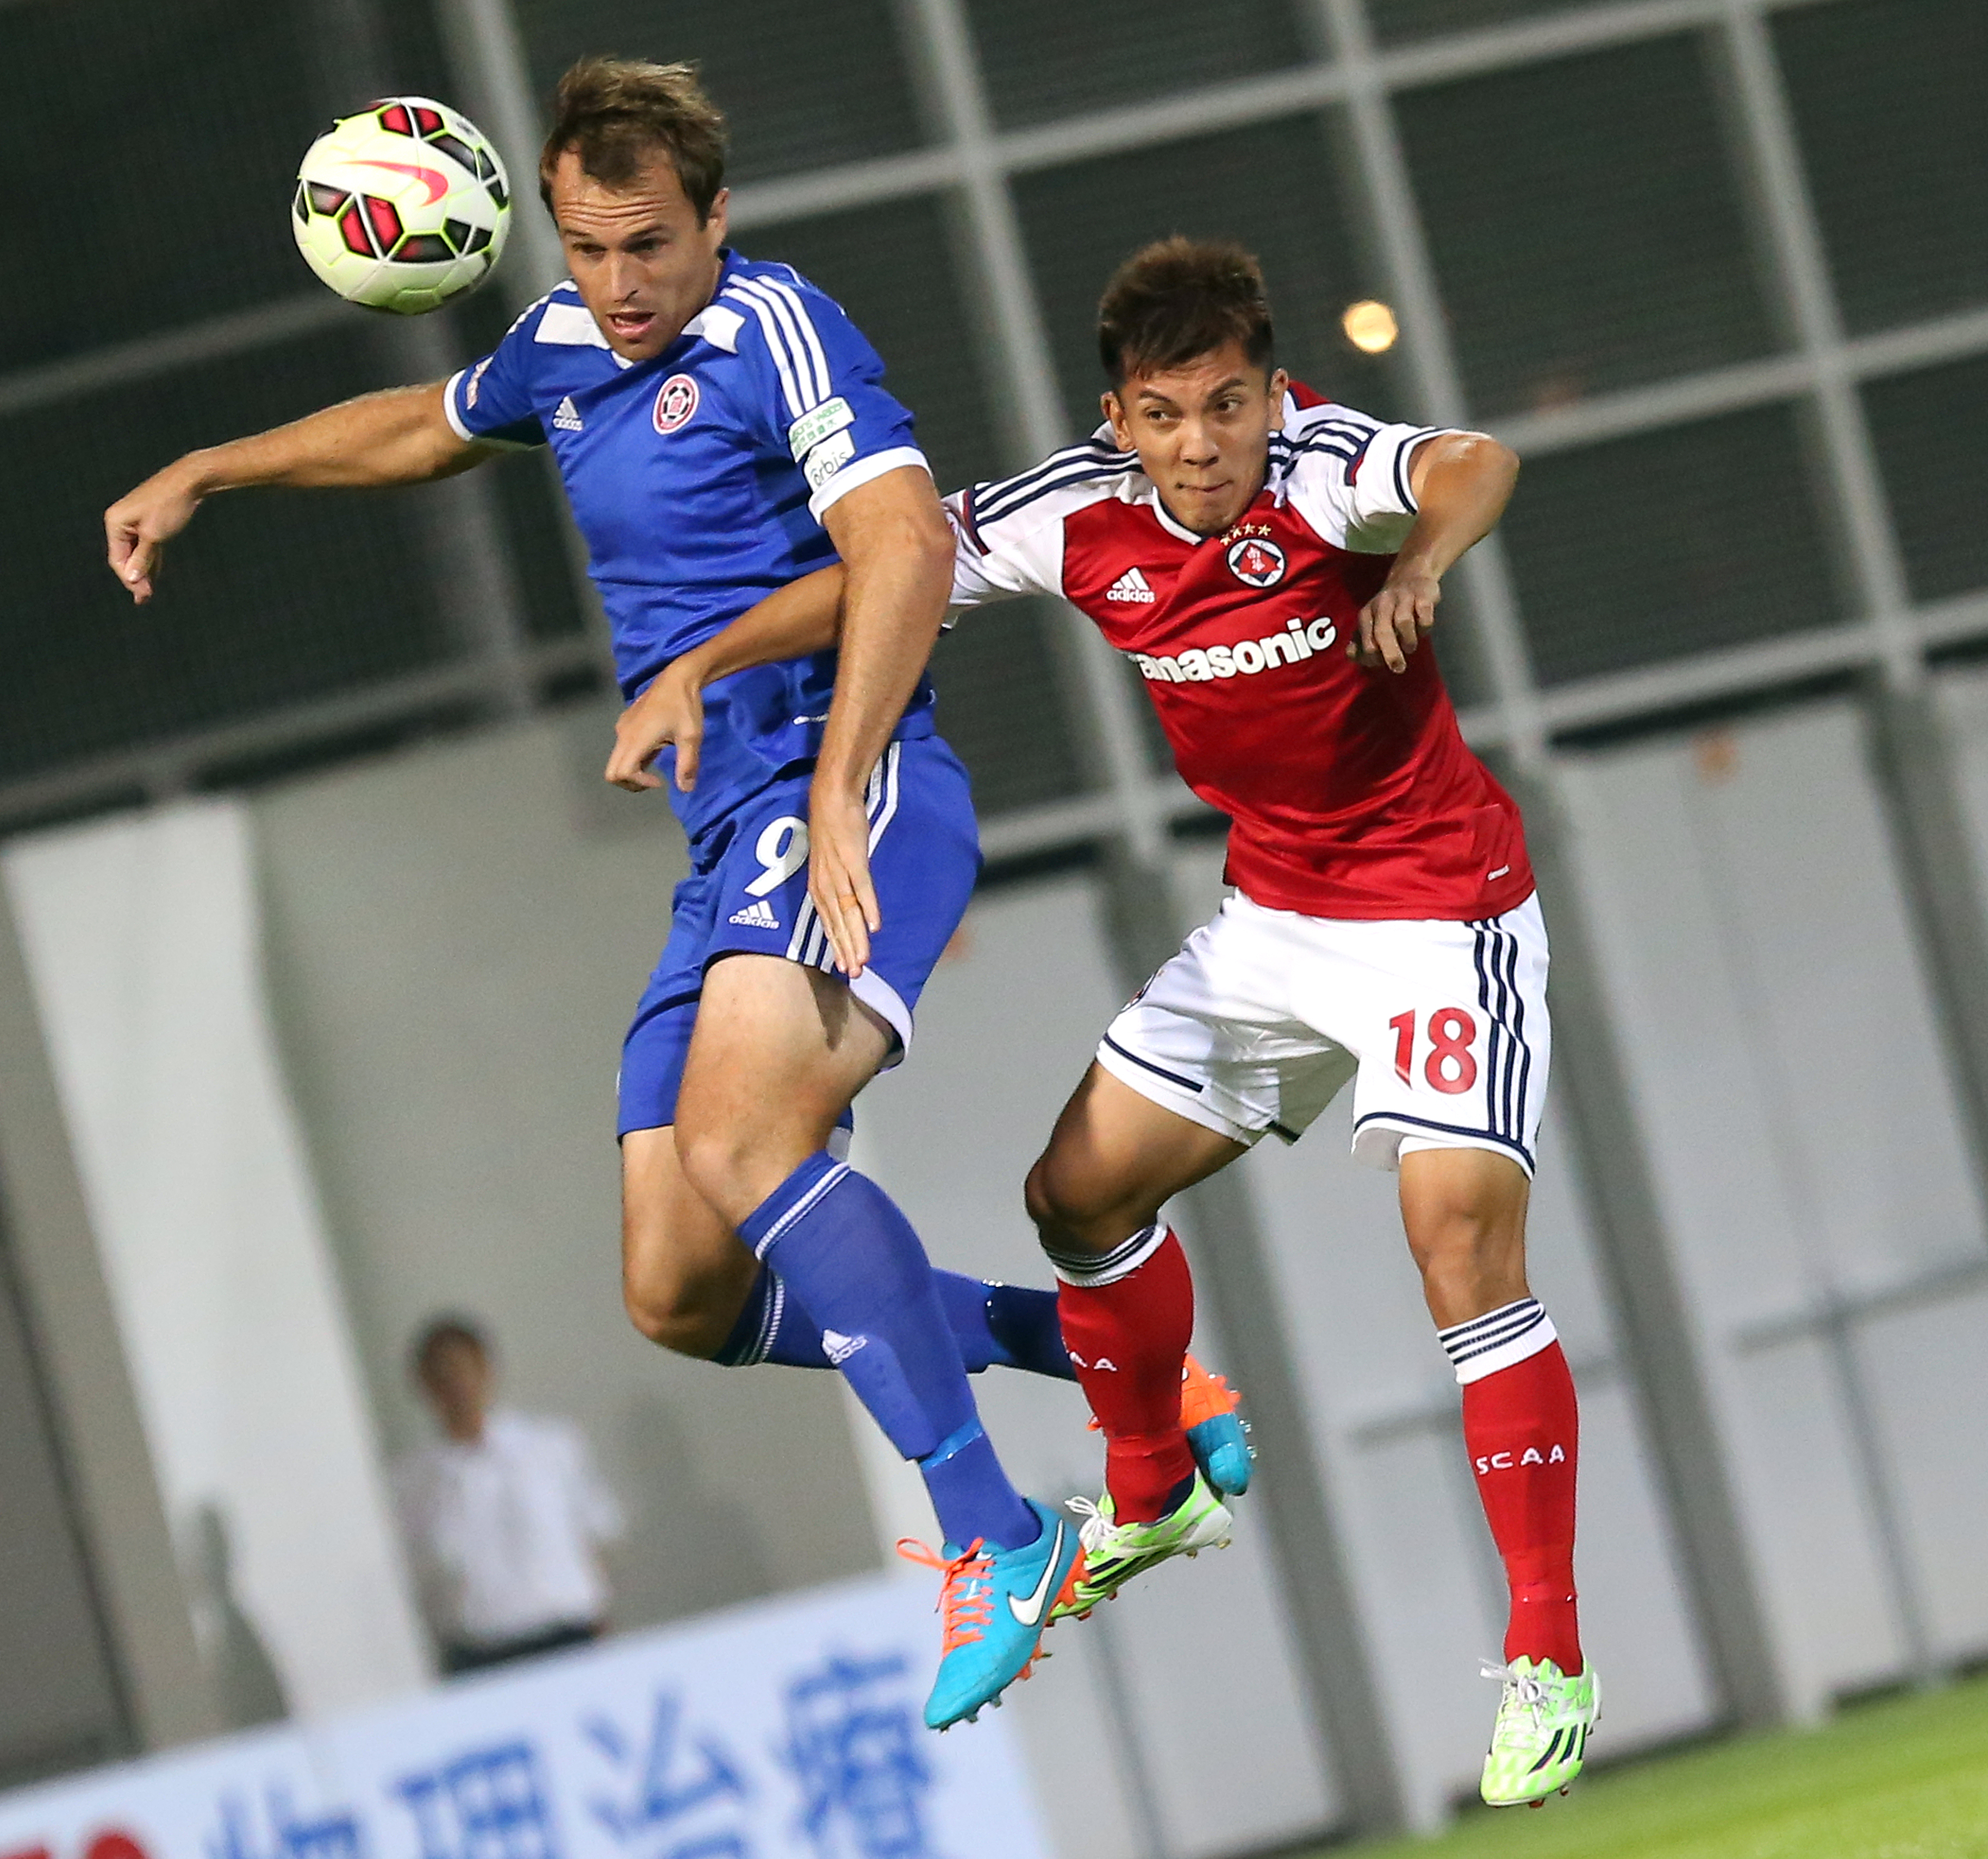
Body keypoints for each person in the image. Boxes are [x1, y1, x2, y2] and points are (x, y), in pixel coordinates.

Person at [100, 58, 1248, 1730]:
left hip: (844, 796)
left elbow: (909, 544)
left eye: (647, 243)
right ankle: (1124, 1367)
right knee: (680, 1285)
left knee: (741, 1144)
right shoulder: (568, 344)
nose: (616, 284)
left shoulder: (777, 328)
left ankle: (995, 1533)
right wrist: (214, 462)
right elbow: (427, 423)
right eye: (582, 247)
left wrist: (844, 773)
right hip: (729, 842)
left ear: (715, 218)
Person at [613, 238, 1596, 1806]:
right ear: (1117, 419)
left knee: (1458, 1253)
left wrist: (1419, 559)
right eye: (1167, 414)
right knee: (1076, 1195)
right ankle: (1151, 1483)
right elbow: (899, 565)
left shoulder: (1331, 472)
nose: (1204, 446)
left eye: (1229, 406)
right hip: (1275, 924)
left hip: (1439, 915)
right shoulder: (1080, 508)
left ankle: (1545, 1652)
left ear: (1276, 395)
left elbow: (1476, 460)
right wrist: (708, 659)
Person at [392, 1316, 623, 1674]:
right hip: (481, 1652)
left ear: (485, 1367)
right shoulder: (414, 1481)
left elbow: (594, 1533)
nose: (455, 1385)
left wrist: (603, 1616)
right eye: (439, 1376)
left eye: (462, 1368)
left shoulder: (550, 1446)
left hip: (567, 1632)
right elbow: (421, 1575)